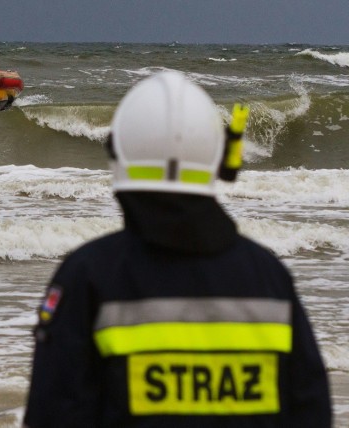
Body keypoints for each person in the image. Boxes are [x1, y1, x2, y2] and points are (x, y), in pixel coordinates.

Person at [23, 71, 332, 427]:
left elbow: (54, 415)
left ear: (118, 153)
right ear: (218, 157)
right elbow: (311, 413)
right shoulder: (270, 279)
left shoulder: (87, 278)